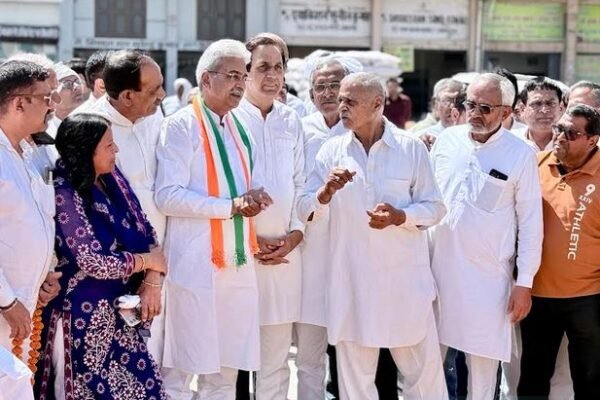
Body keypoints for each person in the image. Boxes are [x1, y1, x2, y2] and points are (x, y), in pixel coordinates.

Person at [298, 72, 448, 400]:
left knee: (425, 383)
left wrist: (401, 217)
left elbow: (435, 208)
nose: (341, 107)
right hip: (352, 284)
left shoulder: (410, 148)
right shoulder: (332, 151)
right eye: (341, 100)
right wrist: (325, 192)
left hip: (403, 286)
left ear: (378, 104)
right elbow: (303, 209)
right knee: (355, 386)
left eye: (350, 101)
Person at [155, 39, 272, 400]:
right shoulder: (181, 126)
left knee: (226, 369)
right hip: (195, 263)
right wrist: (230, 206)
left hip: (237, 264)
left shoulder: (240, 127)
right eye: (232, 75)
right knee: (180, 370)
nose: (241, 83)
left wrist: (254, 199)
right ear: (206, 79)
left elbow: (243, 186)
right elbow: (167, 195)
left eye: (243, 76)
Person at [36, 113, 168, 399]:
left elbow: (146, 231)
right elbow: (92, 261)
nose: (115, 150)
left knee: (143, 388)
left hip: (122, 309)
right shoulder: (65, 192)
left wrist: (152, 278)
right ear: (87, 151)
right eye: (109, 145)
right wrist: (147, 262)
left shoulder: (112, 180)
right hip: (84, 317)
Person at [430, 73, 543, 399]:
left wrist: (524, 283)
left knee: (481, 375)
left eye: (485, 108)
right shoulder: (447, 141)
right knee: (427, 368)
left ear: (506, 112)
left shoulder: (520, 153)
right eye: (470, 105)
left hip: (488, 280)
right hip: (437, 272)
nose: (475, 113)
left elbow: (531, 222)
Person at [235, 34, 305, 400]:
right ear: (244, 72)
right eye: (263, 67)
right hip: (238, 256)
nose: (273, 76)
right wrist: (249, 238)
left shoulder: (292, 120)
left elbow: (301, 183)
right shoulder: (229, 119)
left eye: (278, 67)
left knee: (276, 363)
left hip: (284, 257)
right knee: (230, 362)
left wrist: (294, 236)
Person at [517, 104, 600, 400]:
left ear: (592, 140)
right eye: (559, 128)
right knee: (532, 380)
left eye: (571, 133)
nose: (560, 137)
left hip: (589, 298)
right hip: (537, 295)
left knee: (590, 382)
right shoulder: (534, 165)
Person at [0, 60, 62, 398]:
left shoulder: (27, 152)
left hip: (27, 300)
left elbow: (37, 220)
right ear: (19, 103)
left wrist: (45, 272)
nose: (52, 105)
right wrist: (7, 303)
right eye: (45, 98)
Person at [514, 77, 564, 152]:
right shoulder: (511, 142)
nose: (544, 110)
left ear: (561, 107)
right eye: (536, 104)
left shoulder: (571, 142)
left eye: (551, 103)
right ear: (522, 108)